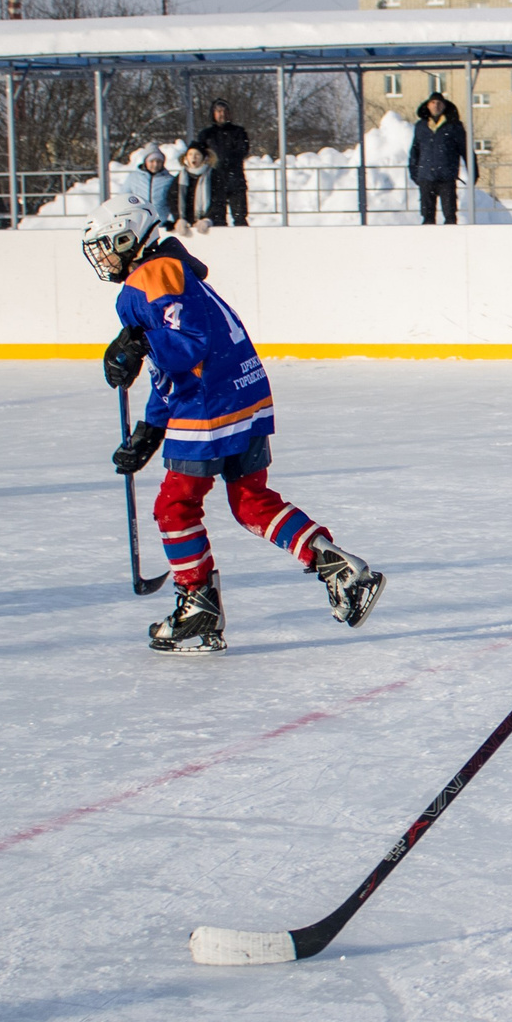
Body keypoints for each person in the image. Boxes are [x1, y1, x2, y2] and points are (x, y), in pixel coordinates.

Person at [80, 195, 385, 652]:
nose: (103, 258)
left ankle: (198, 604)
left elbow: (189, 345)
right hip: (246, 395)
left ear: (129, 236)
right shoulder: (169, 269)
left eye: (108, 245)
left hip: (209, 408)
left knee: (173, 507)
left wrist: (139, 342)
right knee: (249, 500)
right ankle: (336, 565)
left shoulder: (152, 275)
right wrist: (151, 427)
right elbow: (175, 365)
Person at [189, 100, 253, 228]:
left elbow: (242, 150)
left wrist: (226, 159)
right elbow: (200, 154)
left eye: (224, 111)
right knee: (218, 218)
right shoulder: (206, 134)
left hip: (235, 179)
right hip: (214, 181)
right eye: (218, 111)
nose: (221, 114)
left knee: (240, 216)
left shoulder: (238, 132)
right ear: (213, 114)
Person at [407, 92, 468, 225]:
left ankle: (451, 242)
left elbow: (466, 149)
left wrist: (473, 171)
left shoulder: (454, 126)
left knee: (450, 215)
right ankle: (429, 243)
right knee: (427, 216)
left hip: (446, 177)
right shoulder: (421, 126)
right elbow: (415, 151)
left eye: (439, 103)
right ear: (428, 106)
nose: (436, 106)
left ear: (444, 106)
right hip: (426, 177)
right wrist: (415, 173)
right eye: (433, 103)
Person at [124, 148, 179, 230]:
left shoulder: (169, 180)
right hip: (138, 224)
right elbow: (124, 198)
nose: (155, 164)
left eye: (159, 161)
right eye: (152, 161)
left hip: (161, 224)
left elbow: (174, 202)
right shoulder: (133, 178)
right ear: (146, 161)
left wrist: (171, 219)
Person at [175, 146, 210, 234]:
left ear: (204, 157)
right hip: (186, 226)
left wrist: (208, 219)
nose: (193, 157)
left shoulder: (212, 176)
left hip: (208, 227)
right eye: (190, 154)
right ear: (186, 158)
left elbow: (218, 201)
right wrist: (179, 218)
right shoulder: (180, 178)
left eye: (197, 154)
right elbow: (173, 199)